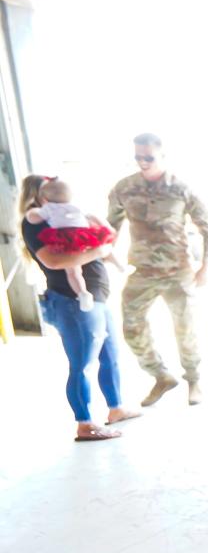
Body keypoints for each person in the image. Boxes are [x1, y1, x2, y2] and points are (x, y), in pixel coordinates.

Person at [20, 174, 139, 441]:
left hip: (97, 297)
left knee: (110, 355)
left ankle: (115, 408)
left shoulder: (72, 215)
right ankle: (84, 423)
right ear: (42, 197)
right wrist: (98, 251)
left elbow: (104, 235)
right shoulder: (35, 222)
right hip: (73, 301)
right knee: (82, 363)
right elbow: (53, 261)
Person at [107, 133, 208, 407]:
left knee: (185, 328)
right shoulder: (124, 188)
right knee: (131, 326)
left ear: (162, 156)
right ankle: (161, 375)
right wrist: (104, 254)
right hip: (142, 271)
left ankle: (194, 380)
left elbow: (206, 229)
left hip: (178, 270)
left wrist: (205, 266)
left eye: (149, 157)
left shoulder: (181, 189)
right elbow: (110, 228)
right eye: (138, 157)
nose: (143, 162)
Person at [25, 177, 121, 312]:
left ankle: (83, 293)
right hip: (70, 299)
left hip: (69, 243)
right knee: (101, 247)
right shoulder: (74, 207)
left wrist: (32, 213)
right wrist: (100, 248)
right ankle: (118, 265)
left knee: (74, 272)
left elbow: (33, 217)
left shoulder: (48, 210)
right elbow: (54, 262)